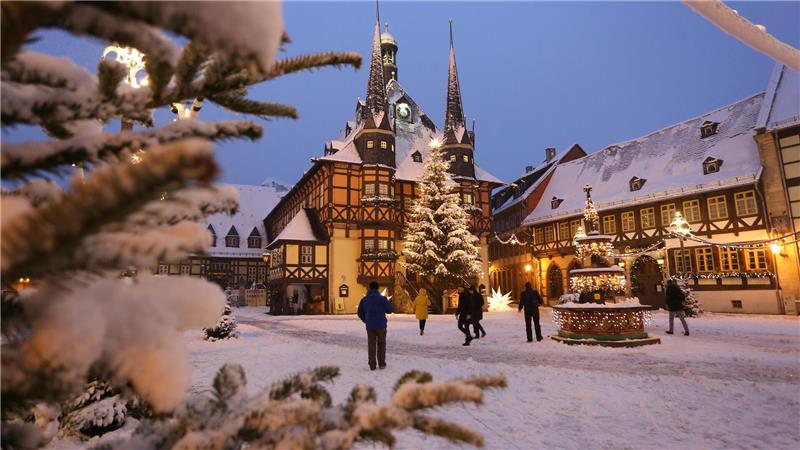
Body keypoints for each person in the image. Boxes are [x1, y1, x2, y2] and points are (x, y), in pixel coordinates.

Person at [357, 281, 393, 370]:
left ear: (369, 288)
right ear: (378, 288)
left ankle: (372, 364)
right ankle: (381, 363)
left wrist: (366, 320)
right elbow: (389, 310)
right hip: (381, 325)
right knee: (381, 344)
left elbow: (360, 313)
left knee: (371, 345)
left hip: (370, 326)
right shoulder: (382, 299)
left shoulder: (365, 300)